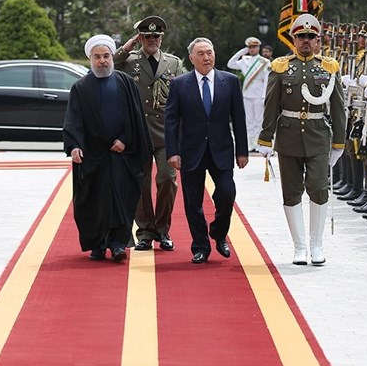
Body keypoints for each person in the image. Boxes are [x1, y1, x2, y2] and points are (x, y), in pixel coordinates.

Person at [257, 14, 346, 266]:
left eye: (311, 37)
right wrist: (265, 138)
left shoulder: (329, 66)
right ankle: (299, 247)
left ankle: (317, 245)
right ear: (293, 39)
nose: (306, 41)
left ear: (318, 40)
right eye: (301, 36)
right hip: (288, 134)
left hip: (318, 135)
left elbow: (339, 108)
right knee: (291, 191)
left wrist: (339, 142)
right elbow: (271, 104)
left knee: (318, 188)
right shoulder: (281, 66)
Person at [63, 34, 153, 262]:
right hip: (93, 157)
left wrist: (125, 139)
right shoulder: (80, 88)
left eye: (105, 56)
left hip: (122, 154)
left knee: (122, 200)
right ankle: (98, 245)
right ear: (90, 59)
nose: (102, 61)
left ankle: (118, 244)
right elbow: (73, 121)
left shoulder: (125, 83)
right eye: (97, 57)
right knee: (95, 202)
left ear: (112, 57)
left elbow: (135, 119)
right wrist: (74, 146)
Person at [164, 37, 249, 264]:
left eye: (209, 52)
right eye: (200, 53)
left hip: (221, 149)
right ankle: (200, 246)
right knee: (193, 202)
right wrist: (172, 152)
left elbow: (238, 117)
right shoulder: (180, 84)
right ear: (191, 58)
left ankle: (219, 233)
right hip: (191, 151)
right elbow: (171, 120)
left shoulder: (229, 81)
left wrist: (243, 151)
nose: (206, 57)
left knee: (226, 193)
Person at [114, 16, 183, 252]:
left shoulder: (173, 63)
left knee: (166, 179)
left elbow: (182, 96)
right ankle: (145, 232)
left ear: (162, 38)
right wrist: (126, 47)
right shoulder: (129, 60)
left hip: (166, 133)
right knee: (140, 184)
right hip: (138, 133)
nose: (152, 40)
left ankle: (163, 230)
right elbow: (107, 65)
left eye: (156, 36)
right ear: (140, 38)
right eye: (147, 36)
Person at [227, 36, 271, 151]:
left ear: (258, 48)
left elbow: (267, 79)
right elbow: (230, 64)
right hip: (247, 94)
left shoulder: (264, 62)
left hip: (258, 94)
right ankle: (250, 143)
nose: (252, 49)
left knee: (258, 121)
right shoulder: (244, 60)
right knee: (249, 121)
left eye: (254, 47)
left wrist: (263, 96)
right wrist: (242, 52)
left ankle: (258, 143)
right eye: (250, 47)